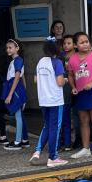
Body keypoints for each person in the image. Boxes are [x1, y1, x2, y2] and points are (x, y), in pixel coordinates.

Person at [31, 37, 68, 168]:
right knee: (55, 128)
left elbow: (36, 80)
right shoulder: (57, 62)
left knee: (47, 126)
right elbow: (59, 82)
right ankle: (53, 157)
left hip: (43, 99)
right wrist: (66, 80)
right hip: (55, 100)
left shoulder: (40, 62)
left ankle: (37, 151)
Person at [2, 38, 29, 150]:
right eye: (7, 48)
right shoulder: (15, 61)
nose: (8, 50)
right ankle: (25, 140)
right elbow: (23, 77)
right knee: (20, 116)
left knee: (18, 116)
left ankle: (18, 142)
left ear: (17, 48)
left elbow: (17, 77)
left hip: (15, 89)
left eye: (10, 47)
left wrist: (10, 94)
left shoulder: (18, 60)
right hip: (17, 89)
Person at [60, 34, 76, 151]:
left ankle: (74, 141)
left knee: (76, 117)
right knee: (65, 116)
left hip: (75, 88)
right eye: (64, 43)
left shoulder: (77, 57)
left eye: (69, 43)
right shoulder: (60, 57)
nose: (66, 45)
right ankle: (66, 142)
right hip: (64, 90)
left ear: (74, 45)